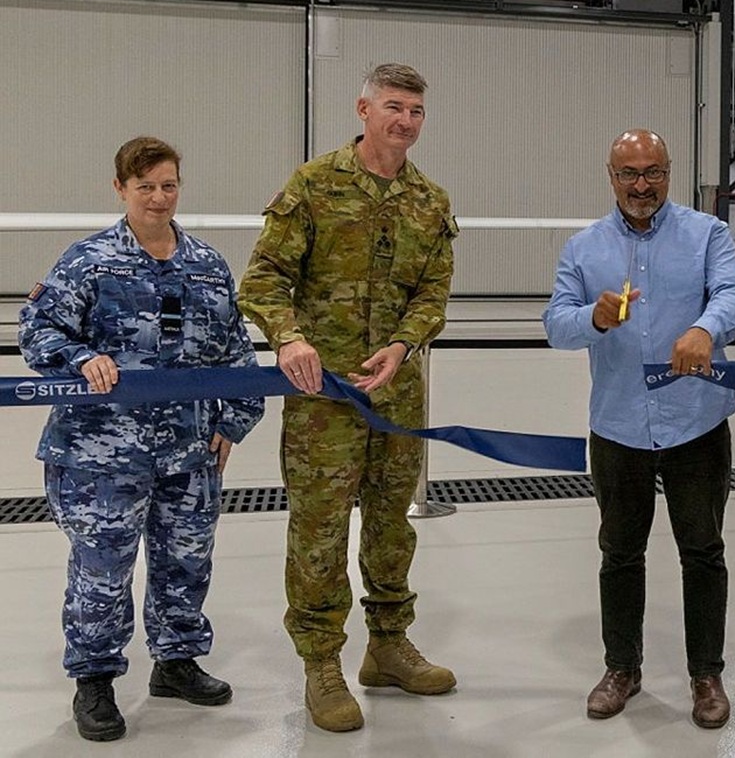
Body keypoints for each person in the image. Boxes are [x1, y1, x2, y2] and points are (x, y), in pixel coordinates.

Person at [18, 137, 265, 742]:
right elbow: (37, 331)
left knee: (186, 561)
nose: (159, 198)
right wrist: (80, 358)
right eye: (146, 186)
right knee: (102, 568)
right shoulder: (89, 261)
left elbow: (235, 351)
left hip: (189, 450)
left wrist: (232, 421)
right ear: (121, 189)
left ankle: (176, 662)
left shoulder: (206, 264)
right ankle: (95, 680)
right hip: (101, 454)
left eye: (169, 185)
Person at [239, 63, 459, 734]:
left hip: (397, 394)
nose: (406, 121)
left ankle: (388, 646)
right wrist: (288, 338)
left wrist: (404, 343)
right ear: (363, 109)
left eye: (416, 111)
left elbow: (433, 291)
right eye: (394, 107)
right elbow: (264, 278)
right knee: (320, 530)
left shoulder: (430, 200)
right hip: (323, 396)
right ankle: (321, 664)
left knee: (394, 522)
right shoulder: (313, 185)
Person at [543, 128, 735, 730]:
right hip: (618, 426)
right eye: (629, 173)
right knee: (619, 553)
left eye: (653, 172)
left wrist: (707, 329)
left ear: (668, 172)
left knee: (704, 551)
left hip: (697, 423)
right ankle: (622, 669)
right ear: (611, 177)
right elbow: (556, 324)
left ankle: (706, 674)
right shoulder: (583, 249)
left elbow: (733, 295)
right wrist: (593, 317)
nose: (642, 185)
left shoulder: (706, 234)